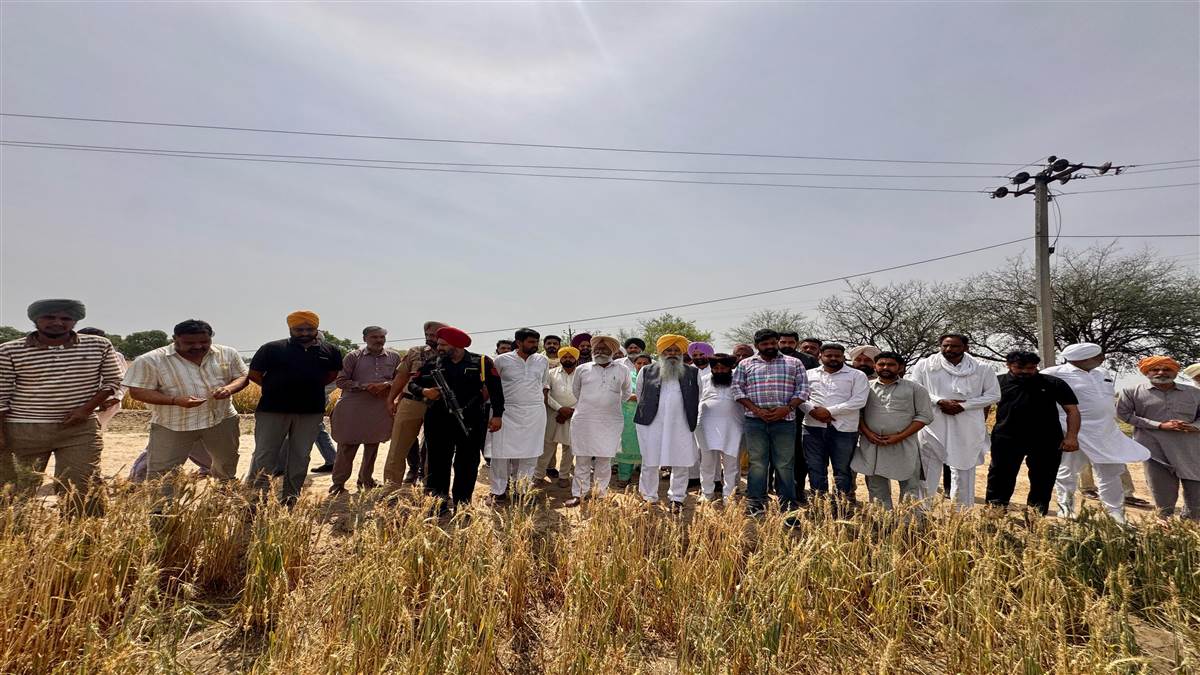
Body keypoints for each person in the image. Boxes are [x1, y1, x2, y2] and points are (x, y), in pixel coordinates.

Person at [0, 299, 123, 515]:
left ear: (75, 321)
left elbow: (113, 380)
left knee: (82, 485)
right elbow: (1, 395)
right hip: (24, 430)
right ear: (36, 319)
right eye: (49, 317)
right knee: (17, 488)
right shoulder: (10, 350)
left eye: (66, 318)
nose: (58, 322)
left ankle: (82, 532)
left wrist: (86, 409)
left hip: (80, 428)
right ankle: (14, 532)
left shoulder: (99, 345)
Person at [123, 319, 249, 498]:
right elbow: (137, 391)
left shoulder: (227, 353)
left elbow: (242, 376)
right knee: (163, 470)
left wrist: (229, 389)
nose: (198, 346)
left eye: (204, 341)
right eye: (190, 343)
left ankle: (224, 497)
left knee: (226, 462)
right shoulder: (151, 360)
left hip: (221, 419)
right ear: (175, 339)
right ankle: (161, 508)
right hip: (174, 424)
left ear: (211, 337)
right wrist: (175, 400)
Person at [1044, 343, 1150, 524]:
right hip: (1073, 431)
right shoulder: (1053, 373)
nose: (1103, 358)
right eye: (1098, 356)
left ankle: (1115, 513)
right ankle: (1066, 509)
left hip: (1105, 431)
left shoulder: (1102, 373)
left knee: (1111, 471)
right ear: (1082, 359)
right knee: (1068, 471)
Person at [245, 310, 343, 505]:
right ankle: (256, 501)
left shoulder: (330, 350)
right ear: (290, 328)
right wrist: (274, 387)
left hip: (310, 411)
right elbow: (254, 374)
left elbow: (332, 375)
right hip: (272, 410)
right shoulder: (272, 348)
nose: (305, 333)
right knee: (265, 455)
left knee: (301, 456)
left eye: (310, 329)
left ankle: (290, 499)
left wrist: (309, 387)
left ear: (317, 328)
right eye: (299, 329)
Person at [408, 326, 503, 511]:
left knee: (467, 463)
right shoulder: (432, 363)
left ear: (457, 345)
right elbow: (413, 384)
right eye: (438, 344)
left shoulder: (481, 362)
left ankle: (463, 504)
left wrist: (498, 415)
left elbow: (496, 390)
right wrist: (425, 391)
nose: (439, 348)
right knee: (437, 462)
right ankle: (438, 504)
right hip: (438, 420)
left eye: (443, 345)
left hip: (471, 420)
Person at [909, 333, 1000, 509]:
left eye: (955, 346)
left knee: (964, 470)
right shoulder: (925, 365)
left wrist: (964, 405)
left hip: (967, 424)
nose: (949, 349)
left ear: (966, 347)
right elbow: (915, 389)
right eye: (945, 346)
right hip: (933, 422)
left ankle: (961, 514)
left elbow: (994, 395)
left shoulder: (982, 368)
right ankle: (922, 513)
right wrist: (939, 401)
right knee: (927, 469)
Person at [984, 351, 1081, 515]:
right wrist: (980, 430)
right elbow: (984, 407)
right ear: (1008, 365)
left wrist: (1071, 437)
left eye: (1030, 368)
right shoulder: (996, 383)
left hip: (1046, 439)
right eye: (1019, 367)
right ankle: (995, 512)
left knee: (1043, 479)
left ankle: (1035, 516)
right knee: (1000, 475)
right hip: (1006, 438)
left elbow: (1072, 410)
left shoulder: (1053, 383)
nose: (1025, 372)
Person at [731, 329, 810, 516]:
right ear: (757, 346)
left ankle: (787, 504)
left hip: (785, 420)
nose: (770, 347)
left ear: (777, 343)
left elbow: (803, 390)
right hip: (755, 420)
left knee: (784, 463)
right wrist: (756, 410)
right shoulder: (745, 364)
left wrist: (787, 408)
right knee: (757, 463)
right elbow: (737, 389)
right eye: (765, 344)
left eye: (773, 343)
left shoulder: (794, 363)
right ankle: (756, 502)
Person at [1117, 356, 1200, 520]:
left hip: (1190, 449)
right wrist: (1159, 425)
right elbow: (1124, 415)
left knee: (1196, 494)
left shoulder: (1194, 393)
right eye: (1155, 369)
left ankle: (1190, 525)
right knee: (1162, 495)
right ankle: (1165, 526)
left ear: (1175, 372)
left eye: (1167, 369)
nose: (1161, 372)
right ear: (1147, 372)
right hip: (1154, 450)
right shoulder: (1132, 392)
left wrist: (1194, 426)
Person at [852, 352, 933, 510]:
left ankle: (908, 522)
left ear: (900, 367)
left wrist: (900, 436)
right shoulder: (865, 387)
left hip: (904, 445)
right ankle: (883, 521)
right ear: (875, 366)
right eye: (881, 364)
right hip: (873, 445)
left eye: (890, 364)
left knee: (910, 487)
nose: (885, 367)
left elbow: (925, 416)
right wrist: (868, 433)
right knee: (877, 487)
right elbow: (857, 414)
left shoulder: (915, 389)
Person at [328, 326, 400, 495]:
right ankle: (338, 483)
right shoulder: (353, 357)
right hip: (353, 407)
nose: (379, 340)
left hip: (379, 407)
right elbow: (341, 381)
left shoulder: (394, 357)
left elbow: (399, 379)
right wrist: (365, 386)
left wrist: (386, 385)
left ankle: (366, 480)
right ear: (365, 338)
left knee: (372, 445)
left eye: (381, 337)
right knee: (347, 445)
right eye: (374, 337)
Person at [634, 334, 701, 512]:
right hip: (651, 423)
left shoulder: (693, 372)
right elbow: (640, 395)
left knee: (681, 461)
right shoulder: (646, 370)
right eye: (668, 350)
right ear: (661, 352)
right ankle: (648, 497)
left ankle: (677, 498)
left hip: (681, 424)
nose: (672, 353)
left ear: (682, 353)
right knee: (649, 461)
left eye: (676, 350)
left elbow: (698, 397)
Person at [565, 336, 631, 506]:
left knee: (604, 459)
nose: (600, 352)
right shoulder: (582, 369)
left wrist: (608, 404)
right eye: (597, 349)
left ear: (612, 351)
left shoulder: (622, 369)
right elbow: (576, 391)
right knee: (582, 459)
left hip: (610, 421)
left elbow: (626, 393)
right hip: (585, 419)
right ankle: (579, 494)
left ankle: (600, 495)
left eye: (604, 349)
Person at [801, 343, 869, 502]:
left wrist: (829, 412)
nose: (833, 358)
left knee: (843, 470)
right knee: (815, 468)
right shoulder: (808, 374)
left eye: (837, 356)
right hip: (812, 427)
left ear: (843, 357)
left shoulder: (857, 375)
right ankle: (819, 505)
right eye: (829, 355)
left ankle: (842, 506)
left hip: (844, 429)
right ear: (820, 356)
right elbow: (800, 396)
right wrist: (812, 411)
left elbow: (859, 400)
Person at [488, 328, 549, 502]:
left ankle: (522, 491)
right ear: (519, 342)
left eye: (536, 342)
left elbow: (543, 385)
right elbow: (493, 387)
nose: (535, 345)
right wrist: (495, 413)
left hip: (534, 413)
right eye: (531, 342)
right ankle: (498, 491)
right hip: (506, 412)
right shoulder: (501, 360)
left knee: (530, 453)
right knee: (500, 454)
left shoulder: (542, 360)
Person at [384, 321, 446, 487]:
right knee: (397, 448)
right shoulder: (415, 352)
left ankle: (430, 489)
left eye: (433, 335)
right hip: (411, 402)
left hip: (439, 405)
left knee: (435, 450)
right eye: (427, 335)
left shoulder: (451, 353)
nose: (429, 338)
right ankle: (390, 489)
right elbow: (401, 377)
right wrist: (391, 399)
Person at [696, 354, 743, 503]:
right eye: (716, 368)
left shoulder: (739, 380)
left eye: (723, 368)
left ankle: (729, 495)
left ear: (730, 367)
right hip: (705, 426)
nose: (719, 371)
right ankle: (707, 493)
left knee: (731, 463)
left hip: (733, 426)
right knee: (707, 462)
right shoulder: (703, 380)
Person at [540, 346, 579, 487]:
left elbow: (586, 394)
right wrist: (560, 409)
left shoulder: (581, 374)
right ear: (560, 359)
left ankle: (564, 476)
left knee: (570, 447)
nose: (567, 359)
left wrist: (572, 410)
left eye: (570, 357)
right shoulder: (551, 373)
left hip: (574, 415)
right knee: (547, 446)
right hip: (553, 414)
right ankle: (538, 475)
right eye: (564, 357)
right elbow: (546, 394)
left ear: (576, 358)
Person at [616, 353, 652, 486]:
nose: (642, 366)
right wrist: (637, 397)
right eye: (639, 363)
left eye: (645, 363)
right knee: (627, 445)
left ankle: (646, 478)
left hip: (649, 417)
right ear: (634, 364)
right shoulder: (627, 376)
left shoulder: (656, 378)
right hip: (628, 417)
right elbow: (619, 393)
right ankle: (624, 476)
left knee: (648, 446)